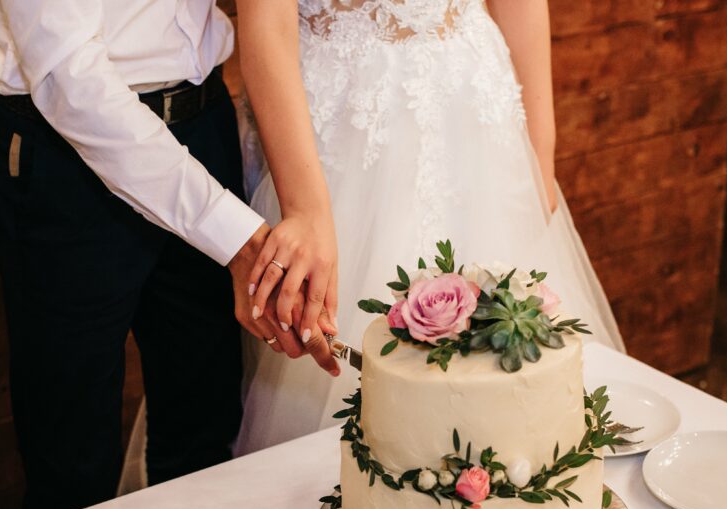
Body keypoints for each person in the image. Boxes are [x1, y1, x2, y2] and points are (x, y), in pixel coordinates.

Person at [0, 0, 339, 509]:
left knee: (206, 442)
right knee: (71, 469)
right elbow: (69, 78)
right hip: (66, 154)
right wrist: (235, 238)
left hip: (204, 122)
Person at [233, 0, 626, 455]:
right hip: (349, 123)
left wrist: (540, 153)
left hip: (476, 108)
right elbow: (266, 28)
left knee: (513, 367)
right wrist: (306, 209)